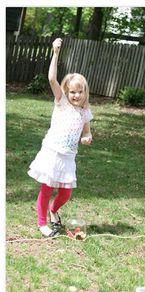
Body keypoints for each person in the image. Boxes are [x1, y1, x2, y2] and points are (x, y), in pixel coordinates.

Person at [28, 38, 93, 238]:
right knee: (46, 188)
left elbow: (87, 131)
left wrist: (87, 137)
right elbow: (51, 79)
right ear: (66, 92)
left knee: (66, 193)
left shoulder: (85, 111)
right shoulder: (61, 102)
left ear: (84, 92)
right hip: (52, 153)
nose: (75, 95)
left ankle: (53, 209)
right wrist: (55, 53)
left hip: (68, 157)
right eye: (72, 91)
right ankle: (42, 224)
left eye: (79, 92)